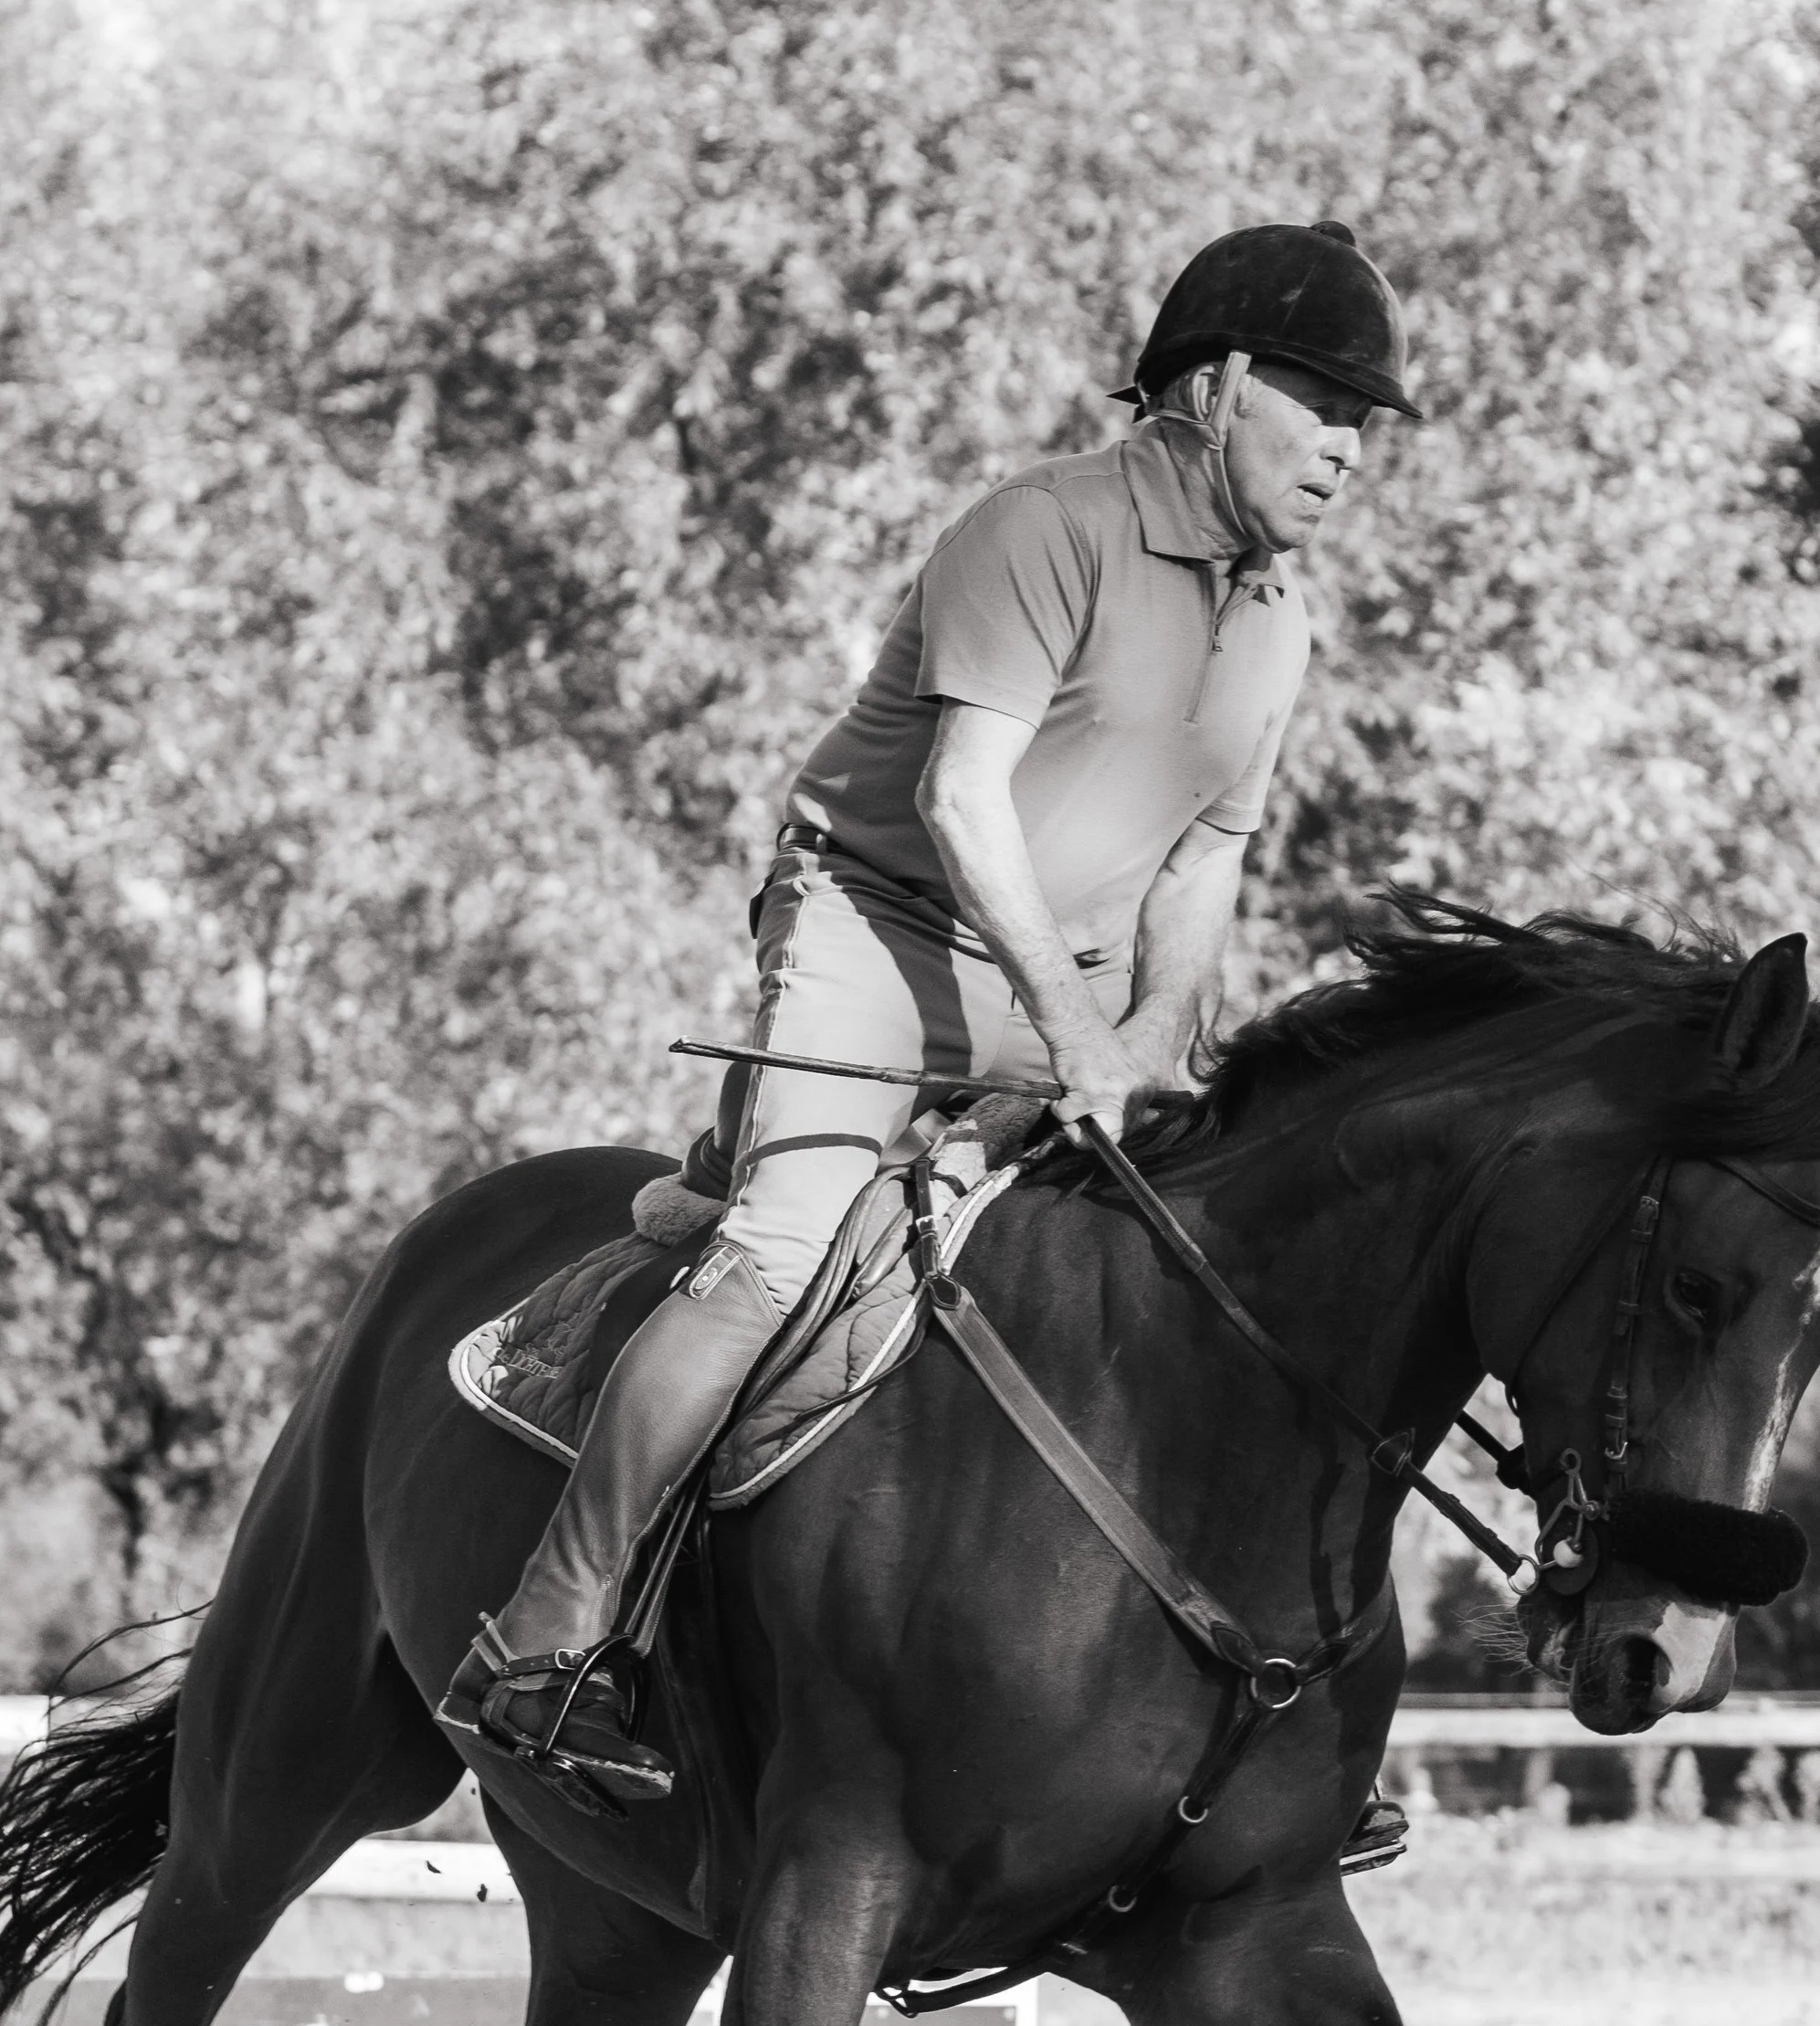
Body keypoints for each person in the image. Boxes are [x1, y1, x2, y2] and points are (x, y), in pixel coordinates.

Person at [439, 220, 1420, 1811]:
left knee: (1234, 1269)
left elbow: (1204, 864)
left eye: (1365, 422)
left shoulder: (1281, 621)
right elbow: (965, 804)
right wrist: (1080, 1038)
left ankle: (1274, 1710)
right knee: (777, 1256)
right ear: (1220, 382)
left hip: (1072, 988)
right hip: (877, 928)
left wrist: (1148, 1052)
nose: (1348, 448)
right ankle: (548, 1632)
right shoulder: (1040, 529)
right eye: (1324, 406)